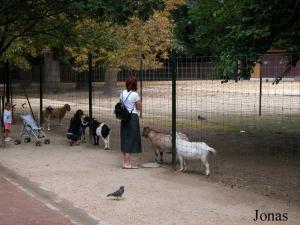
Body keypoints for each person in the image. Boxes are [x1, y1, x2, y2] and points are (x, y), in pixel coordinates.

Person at [120, 76, 142, 169]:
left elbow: (121, 104)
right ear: (135, 84)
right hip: (132, 118)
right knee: (131, 139)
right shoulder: (135, 95)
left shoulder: (122, 93)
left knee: (125, 138)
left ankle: (126, 162)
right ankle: (127, 164)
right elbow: (139, 107)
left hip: (124, 117)